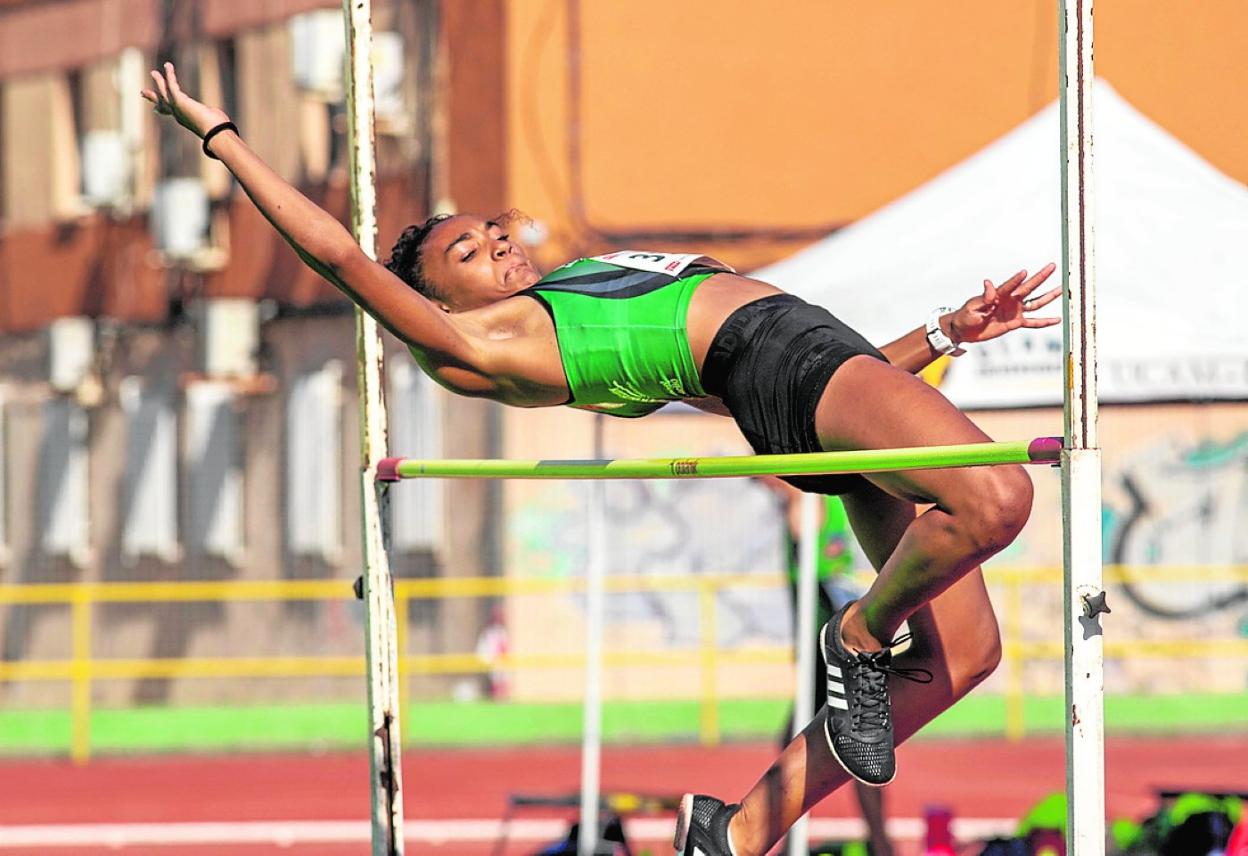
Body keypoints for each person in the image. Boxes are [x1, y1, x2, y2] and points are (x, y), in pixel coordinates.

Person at [143, 64, 1061, 856]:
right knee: (997, 497)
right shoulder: (483, 344)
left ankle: (736, 833)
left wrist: (943, 331)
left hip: (806, 373)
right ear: (437, 304)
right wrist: (222, 138)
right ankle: (858, 635)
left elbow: (799, 401)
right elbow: (342, 255)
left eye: (489, 230)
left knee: (966, 655)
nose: (494, 243)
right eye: (464, 252)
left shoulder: (574, 292)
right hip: (784, 356)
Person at [761, 480, 894, 856]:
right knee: (850, 734)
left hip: (825, 635)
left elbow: (791, 500)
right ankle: (878, 839)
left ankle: (876, 841)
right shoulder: (831, 498)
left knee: (833, 735)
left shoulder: (806, 503)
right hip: (834, 629)